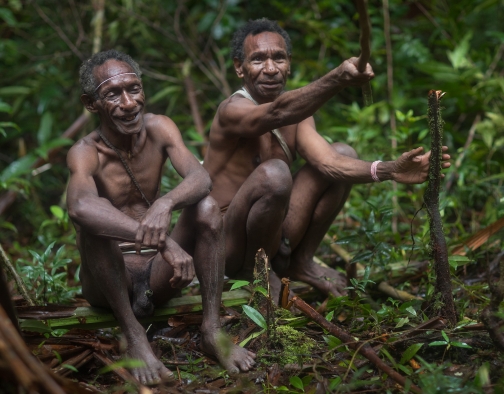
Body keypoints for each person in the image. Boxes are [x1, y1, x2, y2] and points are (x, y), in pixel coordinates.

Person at [203, 18, 450, 298]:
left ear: (289, 63)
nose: (270, 69)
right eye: (258, 59)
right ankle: (254, 272)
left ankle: (300, 262)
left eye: (278, 58)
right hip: (229, 244)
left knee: (344, 154)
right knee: (274, 173)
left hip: (273, 233)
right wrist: (337, 78)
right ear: (239, 67)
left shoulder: (298, 116)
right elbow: (276, 113)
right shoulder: (232, 110)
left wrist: (389, 170)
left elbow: (329, 162)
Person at [66, 50, 255, 385]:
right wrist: (164, 241)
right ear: (91, 103)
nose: (128, 103)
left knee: (207, 207)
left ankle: (212, 331)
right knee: (93, 226)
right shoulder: (85, 151)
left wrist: (165, 203)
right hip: (110, 279)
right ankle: (134, 335)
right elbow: (80, 207)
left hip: (158, 274)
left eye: (133, 89)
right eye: (113, 94)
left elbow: (200, 178)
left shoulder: (159, 127)